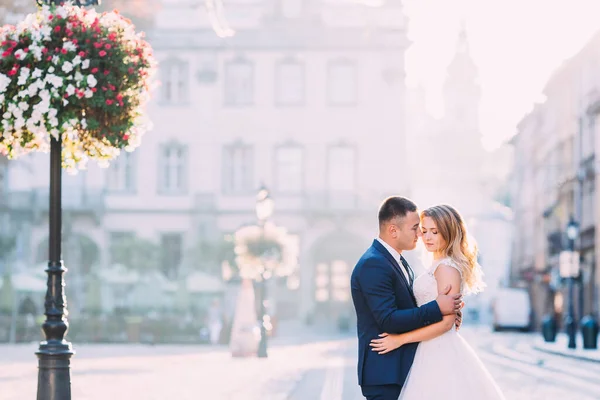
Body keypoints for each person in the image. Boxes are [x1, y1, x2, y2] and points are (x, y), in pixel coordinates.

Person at [369, 204, 505, 399]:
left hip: (439, 350)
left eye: (435, 232)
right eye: (424, 231)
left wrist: (400, 340)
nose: (428, 237)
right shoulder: (435, 265)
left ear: (448, 233)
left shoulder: (447, 268)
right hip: (427, 348)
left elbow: (447, 323)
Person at [351, 196, 464, 400]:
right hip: (386, 373)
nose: (421, 234)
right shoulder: (374, 264)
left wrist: (445, 314)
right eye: (415, 227)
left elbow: (411, 306)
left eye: (430, 230)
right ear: (394, 230)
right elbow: (388, 319)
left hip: (407, 369)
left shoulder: (398, 261)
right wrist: (437, 308)